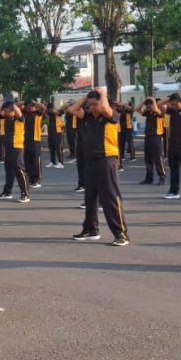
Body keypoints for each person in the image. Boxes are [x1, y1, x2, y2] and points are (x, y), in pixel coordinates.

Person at [68, 88, 129, 246]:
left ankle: (121, 233)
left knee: (110, 198)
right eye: (90, 105)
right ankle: (91, 230)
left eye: (95, 104)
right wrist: (86, 97)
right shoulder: (88, 117)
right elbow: (72, 109)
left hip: (106, 160)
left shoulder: (111, 115)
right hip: (91, 161)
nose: (93, 108)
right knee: (90, 199)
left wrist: (102, 94)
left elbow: (103, 108)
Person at [0, 99, 30, 203]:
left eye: (7, 111)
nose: (4, 113)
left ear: (13, 111)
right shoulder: (7, 118)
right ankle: (7, 192)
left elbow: (18, 112)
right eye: (4, 111)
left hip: (17, 147)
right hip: (9, 148)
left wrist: (13, 105)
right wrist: (5, 106)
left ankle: (25, 193)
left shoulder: (19, 118)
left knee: (19, 170)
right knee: (9, 170)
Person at [136, 97, 167, 185]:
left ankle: (162, 177)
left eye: (150, 104)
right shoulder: (148, 113)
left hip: (156, 137)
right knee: (148, 158)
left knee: (158, 158)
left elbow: (156, 108)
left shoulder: (159, 113)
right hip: (148, 136)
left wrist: (153, 101)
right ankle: (149, 178)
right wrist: (144, 101)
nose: (149, 106)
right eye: (148, 105)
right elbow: (137, 109)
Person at [22, 100, 45, 187]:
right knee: (27, 160)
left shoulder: (37, 113)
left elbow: (42, 107)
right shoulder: (25, 113)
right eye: (27, 106)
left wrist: (34, 103)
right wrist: (24, 102)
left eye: (30, 106)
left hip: (35, 140)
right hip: (26, 139)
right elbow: (15, 105)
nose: (28, 108)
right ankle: (31, 179)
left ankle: (37, 180)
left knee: (36, 160)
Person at [45, 104, 65, 169]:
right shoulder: (49, 113)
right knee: (51, 147)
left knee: (58, 147)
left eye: (51, 109)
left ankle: (61, 162)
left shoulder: (58, 112)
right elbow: (45, 113)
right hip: (51, 132)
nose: (50, 110)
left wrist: (55, 110)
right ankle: (52, 162)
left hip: (57, 132)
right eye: (49, 109)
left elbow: (61, 111)